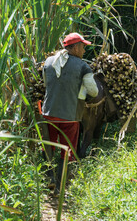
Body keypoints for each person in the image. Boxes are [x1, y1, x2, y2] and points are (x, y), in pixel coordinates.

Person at [42, 32, 98, 195]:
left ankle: (49, 179)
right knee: (66, 150)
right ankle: (59, 188)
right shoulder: (83, 66)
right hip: (70, 117)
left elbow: (47, 84)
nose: (84, 50)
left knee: (49, 147)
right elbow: (93, 91)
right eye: (83, 47)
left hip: (48, 113)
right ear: (74, 48)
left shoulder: (49, 61)